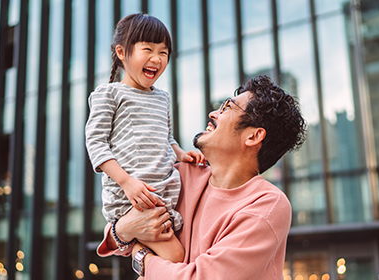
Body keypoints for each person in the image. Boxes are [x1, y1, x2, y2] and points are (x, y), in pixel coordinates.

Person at [97, 75, 307, 279]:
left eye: (227, 108)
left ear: (253, 136)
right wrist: (124, 230)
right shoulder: (180, 174)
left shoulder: (267, 205)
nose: (213, 113)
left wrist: (142, 258)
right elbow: (120, 226)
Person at [85, 13, 205, 263]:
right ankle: (134, 245)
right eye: (148, 49)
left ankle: (137, 250)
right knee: (177, 256)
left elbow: (166, 137)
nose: (156, 58)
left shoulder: (163, 98)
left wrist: (181, 153)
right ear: (121, 52)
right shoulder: (109, 94)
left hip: (160, 195)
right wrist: (127, 182)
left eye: (163, 52)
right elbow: (96, 143)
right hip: (131, 198)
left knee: (179, 253)